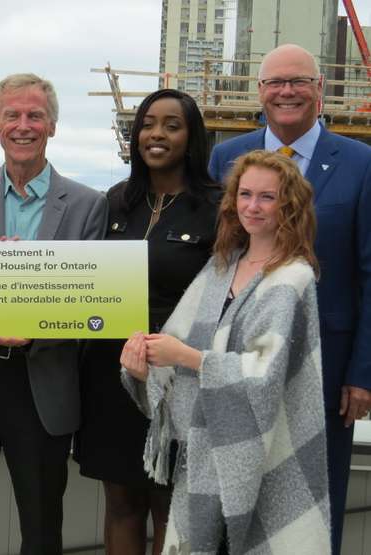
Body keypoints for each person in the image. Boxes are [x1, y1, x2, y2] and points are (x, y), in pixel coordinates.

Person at [122, 150, 331, 554]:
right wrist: (145, 365)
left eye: (267, 197)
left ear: (289, 204)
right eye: (245, 194)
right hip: (206, 449)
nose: (253, 206)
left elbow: (264, 374)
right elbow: (177, 340)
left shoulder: (294, 277)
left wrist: (185, 357)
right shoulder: (221, 266)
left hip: (267, 449)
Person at [0, 73, 107, 555]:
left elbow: (92, 302)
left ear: (53, 126)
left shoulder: (89, 206)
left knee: (42, 525)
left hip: (42, 384)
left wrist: (36, 330)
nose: (23, 125)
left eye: (35, 115)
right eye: (12, 115)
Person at [208, 43, 371, 555]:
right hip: (241, 364)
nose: (286, 92)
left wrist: (363, 373)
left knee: (314, 507)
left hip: (325, 372)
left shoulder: (362, 162)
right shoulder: (225, 156)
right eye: (275, 82)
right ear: (259, 92)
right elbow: (218, 263)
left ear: (320, 90)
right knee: (238, 505)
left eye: (298, 81)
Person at [75, 89, 221, 555]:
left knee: (169, 509)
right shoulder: (116, 201)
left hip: (177, 383)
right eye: (148, 123)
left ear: (191, 137)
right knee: (120, 504)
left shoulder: (217, 207)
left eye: (172, 125)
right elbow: (80, 276)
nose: (156, 134)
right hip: (111, 376)